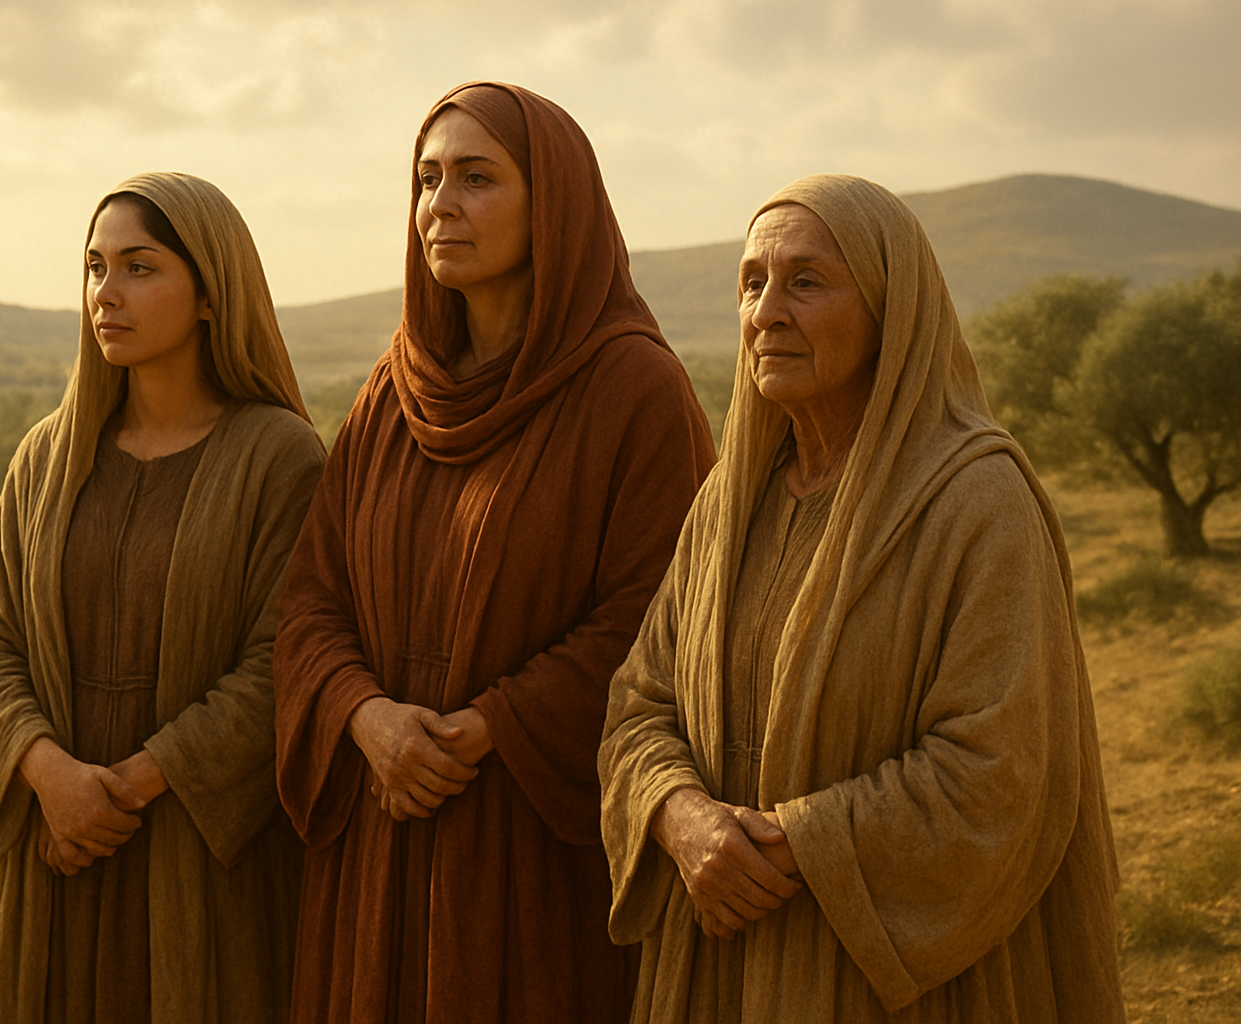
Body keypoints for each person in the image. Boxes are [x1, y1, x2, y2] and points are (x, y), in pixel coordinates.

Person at [598, 173, 1125, 1021]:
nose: (768, 311)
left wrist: (795, 844)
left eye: (807, 281)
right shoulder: (731, 506)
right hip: (717, 959)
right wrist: (680, 816)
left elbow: (998, 771)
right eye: (752, 282)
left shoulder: (977, 501)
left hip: (891, 980)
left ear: (892, 310)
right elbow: (639, 705)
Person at [272, 82, 717, 1024]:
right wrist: (365, 719)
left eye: (478, 178)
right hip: (383, 823)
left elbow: (661, 616)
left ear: (551, 202)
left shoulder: (634, 388)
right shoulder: (393, 391)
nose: (442, 204)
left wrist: (491, 726)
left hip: (535, 836)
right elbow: (313, 596)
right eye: (427, 179)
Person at [0, 171, 325, 1023]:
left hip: (196, 855)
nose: (105, 295)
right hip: (50, 847)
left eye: (139, 268)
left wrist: (131, 785)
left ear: (208, 293)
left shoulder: (281, 457)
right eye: (94, 267)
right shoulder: (47, 455)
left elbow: (285, 663)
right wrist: (49, 777)